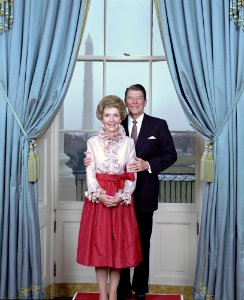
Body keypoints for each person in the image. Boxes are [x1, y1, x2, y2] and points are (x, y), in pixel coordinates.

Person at [84, 84, 177, 300]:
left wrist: (148, 165)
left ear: (145, 101)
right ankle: (121, 290)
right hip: (112, 196)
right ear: (125, 102)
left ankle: (140, 290)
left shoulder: (158, 125)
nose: (134, 102)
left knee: (141, 242)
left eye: (139, 98)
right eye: (130, 98)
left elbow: (171, 155)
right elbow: (97, 156)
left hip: (143, 195)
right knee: (117, 243)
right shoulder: (115, 120)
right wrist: (89, 161)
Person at [76, 95, 142, 300]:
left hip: (121, 201)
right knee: (101, 250)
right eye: (107, 115)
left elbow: (132, 173)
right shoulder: (92, 142)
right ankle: (102, 295)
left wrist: (123, 196)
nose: (112, 119)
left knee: (118, 250)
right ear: (101, 117)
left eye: (115, 115)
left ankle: (113, 294)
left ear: (121, 116)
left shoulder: (129, 143)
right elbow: (90, 172)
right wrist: (100, 195)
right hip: (99, 201)